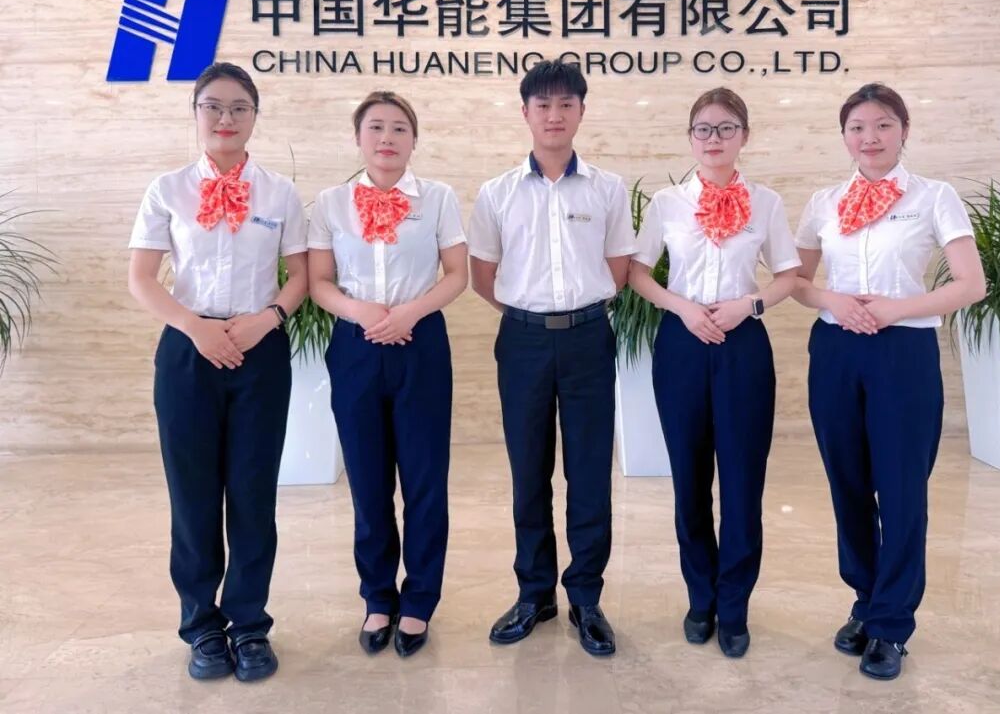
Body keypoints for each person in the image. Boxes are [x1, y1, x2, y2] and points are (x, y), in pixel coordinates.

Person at [792, 82, 986, 680]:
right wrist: (836, 301)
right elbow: (798, 283)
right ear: (844, 136)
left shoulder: (934, 196)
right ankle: (866, 601)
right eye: (857, 127)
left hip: (903, 351)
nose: (869, 137)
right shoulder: (825, 201)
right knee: (847, 483)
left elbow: (970, 284)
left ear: (904, 130)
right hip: (835, 349)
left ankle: (893, 624)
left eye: (882, 125)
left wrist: (895, 309)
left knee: (901, 489)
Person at [128, 62, 308, 681]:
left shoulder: (280, 193)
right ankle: (202, 626)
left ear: (255, 117)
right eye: (213, 106)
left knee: (253, 494)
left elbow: (302, 275)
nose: (226, 118)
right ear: (196, 114)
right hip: (188, 351)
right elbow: (142, 278)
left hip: (259, 350)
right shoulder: (168, 189)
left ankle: (250, 626)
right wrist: (195, 327)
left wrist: (268, 318)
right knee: (193, 496)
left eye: (239, 108)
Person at [469, 60, 636, 657]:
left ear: (581, 112)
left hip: (589, 337)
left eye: (566, 103)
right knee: (528, 470)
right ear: (526, 113)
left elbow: (618, 270)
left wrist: (571, 312)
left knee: (588, 472)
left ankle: (585, 597)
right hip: (523, 342)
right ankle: (534, 592)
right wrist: (531, 314)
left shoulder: (607, 188)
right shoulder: (497, 192)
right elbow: (483, 276)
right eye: (543, 105)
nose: (554, 115)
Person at [628, 87, 799, 658]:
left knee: (744, 479)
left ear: (744, 136)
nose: (713, 139)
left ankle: (735, 604)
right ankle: (700, 596)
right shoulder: (667, 202)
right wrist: (682, 308)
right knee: (690, 475)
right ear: (690, 138)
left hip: (743, 342)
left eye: (726, 128)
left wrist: (749, 305)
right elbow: (637, 273)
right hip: (682, 340)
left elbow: (788, 276)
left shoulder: (766, 202)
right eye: (703, 129)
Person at [308, 91, 467, 658]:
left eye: (400, 128)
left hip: (420, 342)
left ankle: (419, 600)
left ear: (414, 139)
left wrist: (407, 314)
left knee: (424, 479)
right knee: (368, 479)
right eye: (375, 127)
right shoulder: (331, 203)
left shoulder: (438, 197)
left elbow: (457, 274)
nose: (387, 138)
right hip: (356, 346)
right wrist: (365, 314)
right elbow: (319, 281)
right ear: (358, 138)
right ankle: (378, 597)